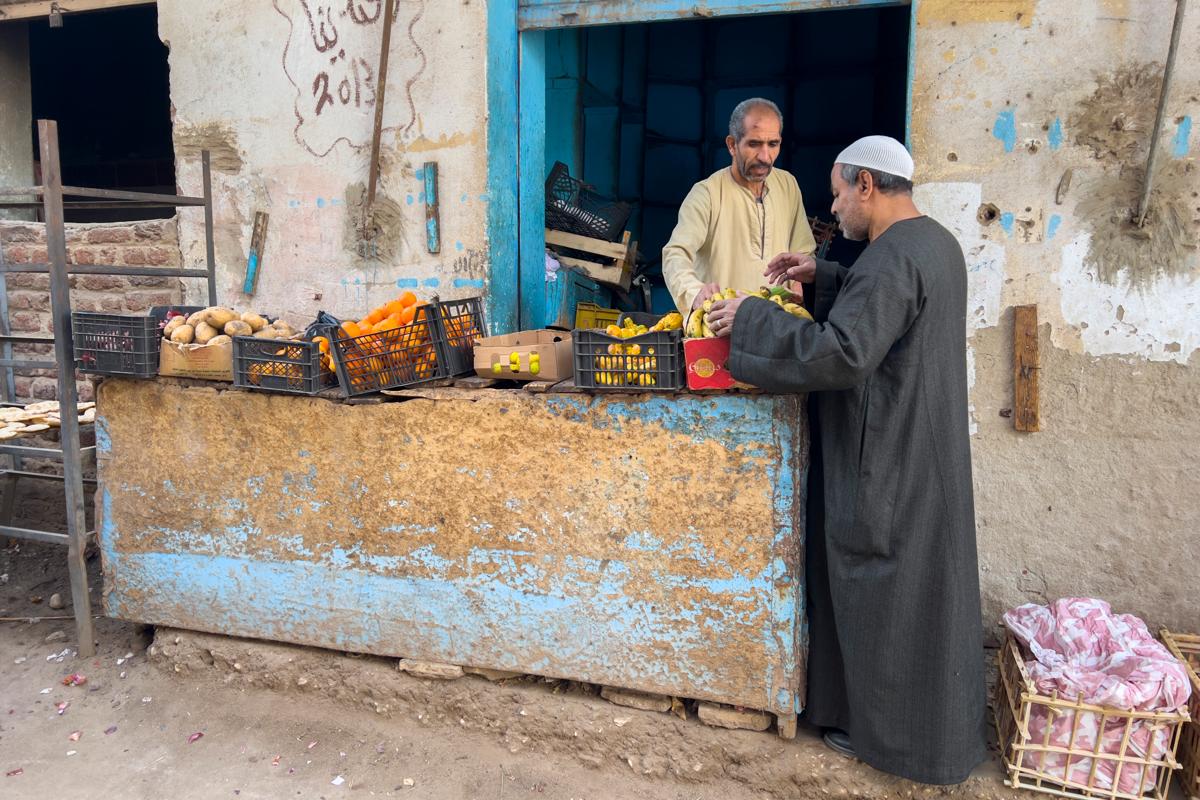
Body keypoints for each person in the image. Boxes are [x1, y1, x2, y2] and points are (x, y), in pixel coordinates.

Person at [704, 135, 988, 785]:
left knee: (884, 591)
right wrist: (824, 274)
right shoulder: (934, 244)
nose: (834, 205)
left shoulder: (891, 258)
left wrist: (750, 319)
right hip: (925, 447)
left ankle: (894, 741)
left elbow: (843, 352)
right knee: (919, 592)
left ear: (866, 186)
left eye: (837, 191)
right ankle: (916, 726)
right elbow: (881, 305)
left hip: (888, 454)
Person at [661, 98, 817, 314]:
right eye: (754, 144)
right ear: (732, 145)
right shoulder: (707, 193)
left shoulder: (787, 184)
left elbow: (803, 249)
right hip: (721, 325)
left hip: (776, 325)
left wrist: (799, 281)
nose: (765, 157)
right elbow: (675, 254)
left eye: (773, 144)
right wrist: (694, 291)